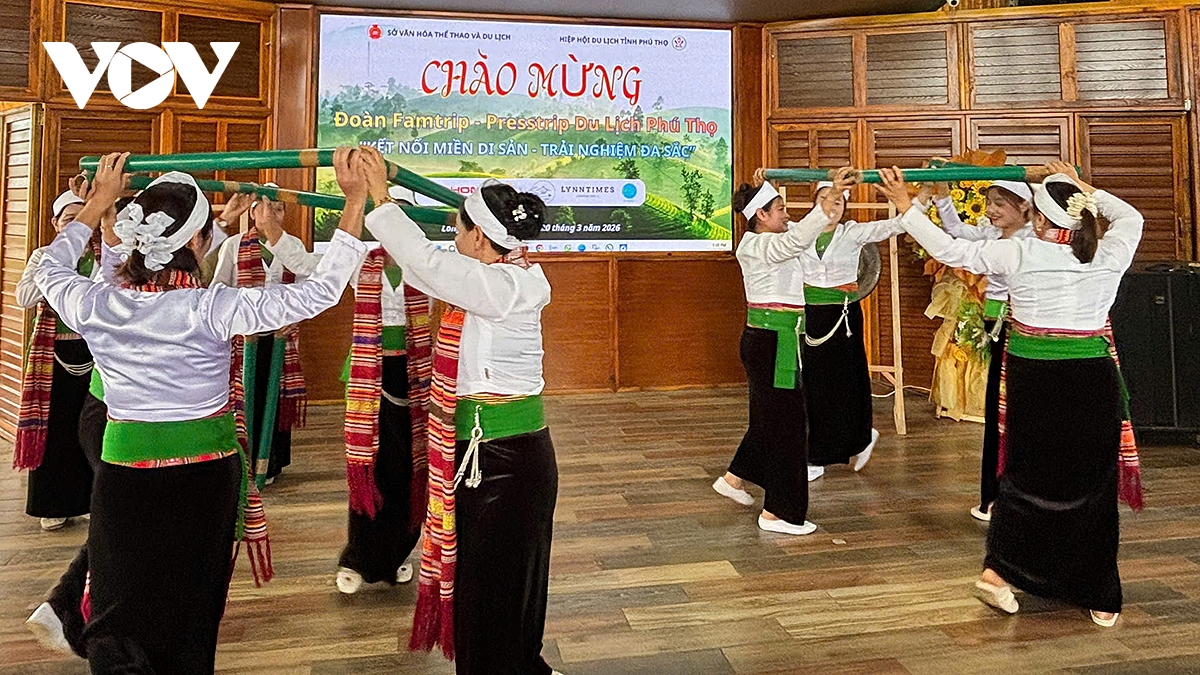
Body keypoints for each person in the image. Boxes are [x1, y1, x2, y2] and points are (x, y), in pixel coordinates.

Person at [31, 149, 369, 673]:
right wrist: (354, 201)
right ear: (195, 243)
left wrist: (97, 201)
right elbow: (322, 291)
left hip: (124, 477)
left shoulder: (94, 302)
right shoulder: (212, 307)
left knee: (120, 618)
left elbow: (51, 262)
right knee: (190, 614)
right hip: (205, 480)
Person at [877, 162, 1144, 628]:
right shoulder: (1109, 253)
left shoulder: (1019, 254)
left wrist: (905, 207)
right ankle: (1098, 591)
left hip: (1034, 379)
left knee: (1024, 476)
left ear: (1038, 220)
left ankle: (999, 572)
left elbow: (949, 248)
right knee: (1091, 485)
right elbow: (1132, 218)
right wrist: (1085, 190)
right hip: (1090, 380)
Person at [360, 147, 557, 675]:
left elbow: (426, 263)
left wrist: (381, 196)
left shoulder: (504, 285)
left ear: (478, 236)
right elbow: (428, 268)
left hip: (503, 460)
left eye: (459, 228)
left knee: (496, 586)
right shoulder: (500, 281)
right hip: (499, 456)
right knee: (500, 582)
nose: (454, 237)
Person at [265, 185, 430, 594]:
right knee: (370, 468)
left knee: (411, 470)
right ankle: (358, 557)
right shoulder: (361, 261)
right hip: (369, 376)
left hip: (417, 376)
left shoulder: (429, 265)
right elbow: (307, 264)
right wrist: (272, 232)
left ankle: (393, 558)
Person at [713, 168, 855, 537]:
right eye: (779, 209)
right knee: (789, 426)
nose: (787, 214)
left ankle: (735, 478)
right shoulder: (757, 246)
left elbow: (804, 233)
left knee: (769, 419)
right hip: (772, 343)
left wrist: (830, 200)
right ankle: (778, 512)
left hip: (777, 341)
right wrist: (829, 198)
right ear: (761, 215)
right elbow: (797, 238)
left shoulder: (778, 237)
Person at [930, 181, 1035, 522]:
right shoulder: (992, 234)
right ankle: (993, 495)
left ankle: (1008, 495)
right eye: (989, 203)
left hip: (1019, 322)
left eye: (999, 204)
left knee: (1010, 405)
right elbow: (957, 232)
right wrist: (943, 197)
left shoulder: (1031, 240)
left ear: (1024, 207)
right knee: (996, 405)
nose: (991, 210)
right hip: (994, 319)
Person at [799, 179, 905, 477]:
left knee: (846, 383)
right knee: (813, 387)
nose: (832, 207)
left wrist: (919, 198)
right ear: (814, 203)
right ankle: (818, 450)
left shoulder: (853, 232)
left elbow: (895, 225)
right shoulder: (800, 233)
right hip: (810, 316)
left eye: (838, 202)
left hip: (842, 316)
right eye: (825, 199)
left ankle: (850, 441)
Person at [211, 188, 307, 488]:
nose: (271, 215)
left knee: (275, 399)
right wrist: (238, 322)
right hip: (244, 341)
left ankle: (271, 462)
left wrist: (292, 320)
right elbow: (219, 289)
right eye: (265, 209)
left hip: (281, 339)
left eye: (278, 209)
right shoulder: (232, 245)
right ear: (252, 213)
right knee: (242, 398)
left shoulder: (294, 246)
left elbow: (307, 292)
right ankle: (243, 461)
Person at [14, 190, 97, 532]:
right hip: (53, 355)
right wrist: (57, 267)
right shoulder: (43, 256)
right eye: (68, 220)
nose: (77, 226)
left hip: (94, 353)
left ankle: (89, 500)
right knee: (55, 429)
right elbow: (24, 297)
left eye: (83, 218)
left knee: (89, 428)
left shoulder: (105, 257)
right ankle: (52, 505)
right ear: (55, 224)